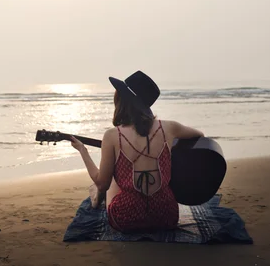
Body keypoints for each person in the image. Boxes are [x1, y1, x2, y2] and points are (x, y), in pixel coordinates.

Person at [70, 71, 204, 233]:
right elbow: (199, 135)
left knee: (112, 181)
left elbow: (102, 183)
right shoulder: (170, 127)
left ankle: (96, 199)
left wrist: (83, 150)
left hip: (126, 219)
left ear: (122, 101)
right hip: (166, 217)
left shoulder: (112, 135)